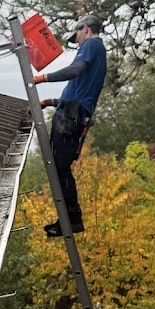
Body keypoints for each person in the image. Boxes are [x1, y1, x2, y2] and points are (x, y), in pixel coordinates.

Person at [34, 14, 107, 236]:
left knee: (59, 167)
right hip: (70, 114)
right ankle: (67, 219)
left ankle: (72, 219)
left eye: (77, 35)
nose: (77, 41)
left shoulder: (92, 44)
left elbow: (75, 71)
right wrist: (50, 102)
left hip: (70, 119)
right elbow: (77, 96)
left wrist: (43, 77)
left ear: (85, 29)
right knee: (57, 167)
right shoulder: (94, 51)